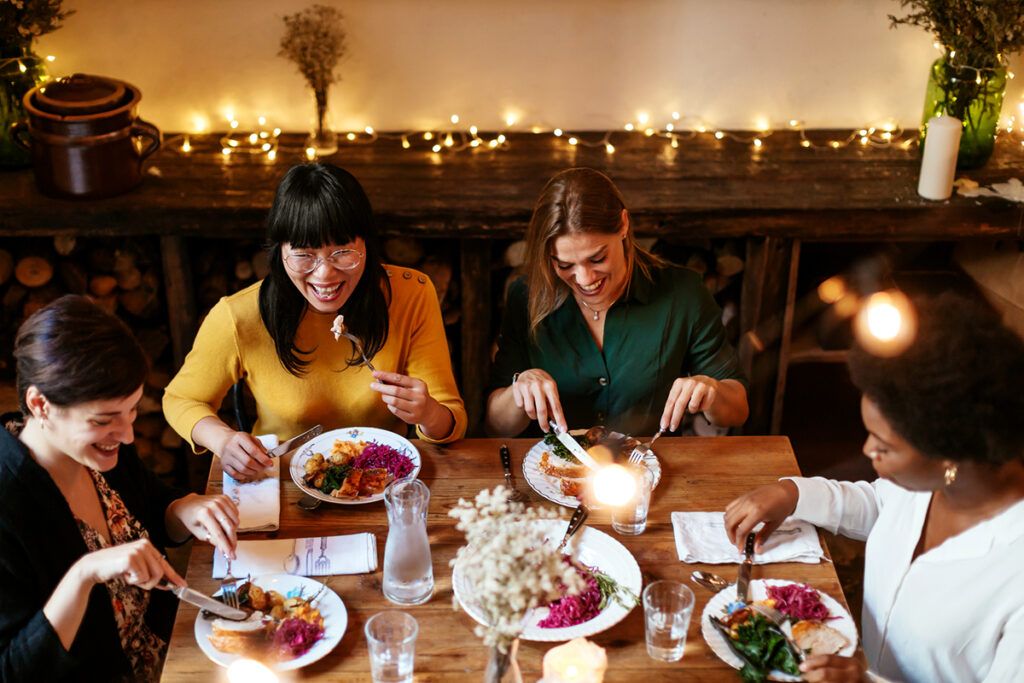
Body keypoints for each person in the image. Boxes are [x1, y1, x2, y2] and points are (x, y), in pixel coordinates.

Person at [724, 292, 1024, 683]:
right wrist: (792, 494)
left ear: (947, 451)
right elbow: (883, 507)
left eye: (884, 446)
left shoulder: (1013, 570)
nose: (867, 451)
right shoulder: (936, 481)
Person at [163, 163, 467, 481]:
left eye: (343, 252)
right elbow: (181, 398)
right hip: (280, 479)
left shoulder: (411, 293)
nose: (325, 274)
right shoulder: (239, 315)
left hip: (383, 479)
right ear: (279, 251)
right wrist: (222, 440)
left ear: (366, 244)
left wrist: (428, 412)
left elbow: (451, 420)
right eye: (304, 255)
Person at [0, 295, 239, 682]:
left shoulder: (100, 449)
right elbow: (13, 671)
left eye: (132, 411)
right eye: (103, 420)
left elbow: (152, 506)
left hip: (175, 649)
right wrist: (85, 574)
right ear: (40, 404)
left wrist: (184, 509)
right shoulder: (8, 503)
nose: (127, 435)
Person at [486, 167, 748, 438]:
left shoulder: (683, 293)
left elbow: (738, 410)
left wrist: (711, 391)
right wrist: (518, 390)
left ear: (623, 225)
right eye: (564, 264)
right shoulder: (525, 296)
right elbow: (495, 425)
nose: (585, 279)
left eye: (597, 258)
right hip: (551, 464)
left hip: (648, 462)